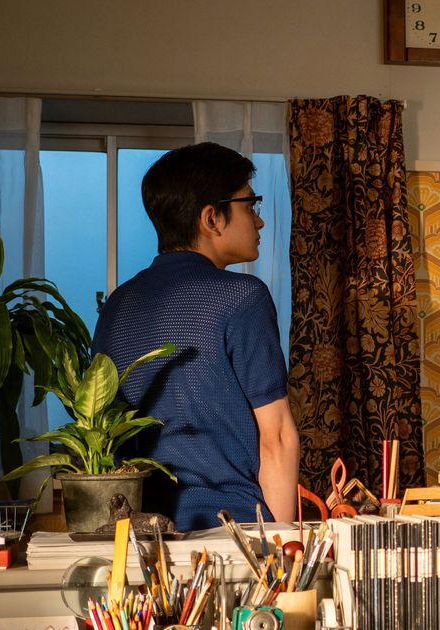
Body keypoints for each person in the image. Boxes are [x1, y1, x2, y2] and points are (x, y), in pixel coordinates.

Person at [93, 142, 300, 531]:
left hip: (138, 536)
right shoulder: (243, 298)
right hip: (232, 533)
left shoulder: (117, 305)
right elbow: (276, 439)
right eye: (250, 205)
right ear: (211, 218)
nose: (259, 222)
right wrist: (281, 546)